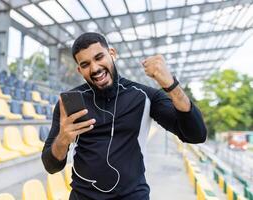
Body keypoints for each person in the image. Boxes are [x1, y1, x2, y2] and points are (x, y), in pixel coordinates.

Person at [41, 32, 207, 200]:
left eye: (99, 57)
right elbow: (51, 166)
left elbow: (195, 134)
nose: (95, 68)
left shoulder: (145, 96)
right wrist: (63, 138)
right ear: (79, 70)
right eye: (85, 64)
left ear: (112, 53)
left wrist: (171, 85)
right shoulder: (69, 103)